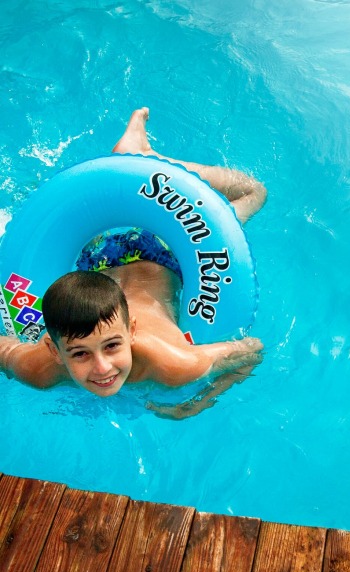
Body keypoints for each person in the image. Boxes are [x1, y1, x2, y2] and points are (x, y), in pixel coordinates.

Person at [0, 108, 266, 419]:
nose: (102, 368)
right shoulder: (37, 369)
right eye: (80, 353)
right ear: (53, 351)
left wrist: (198, 403)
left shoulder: (176, 363)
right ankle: (135, 160)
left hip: (164, 256)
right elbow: (5, 350)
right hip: (98, 263)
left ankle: (149, 160)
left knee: (254, 192)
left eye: (112, 346)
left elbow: (252, 351)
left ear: (132, 331)